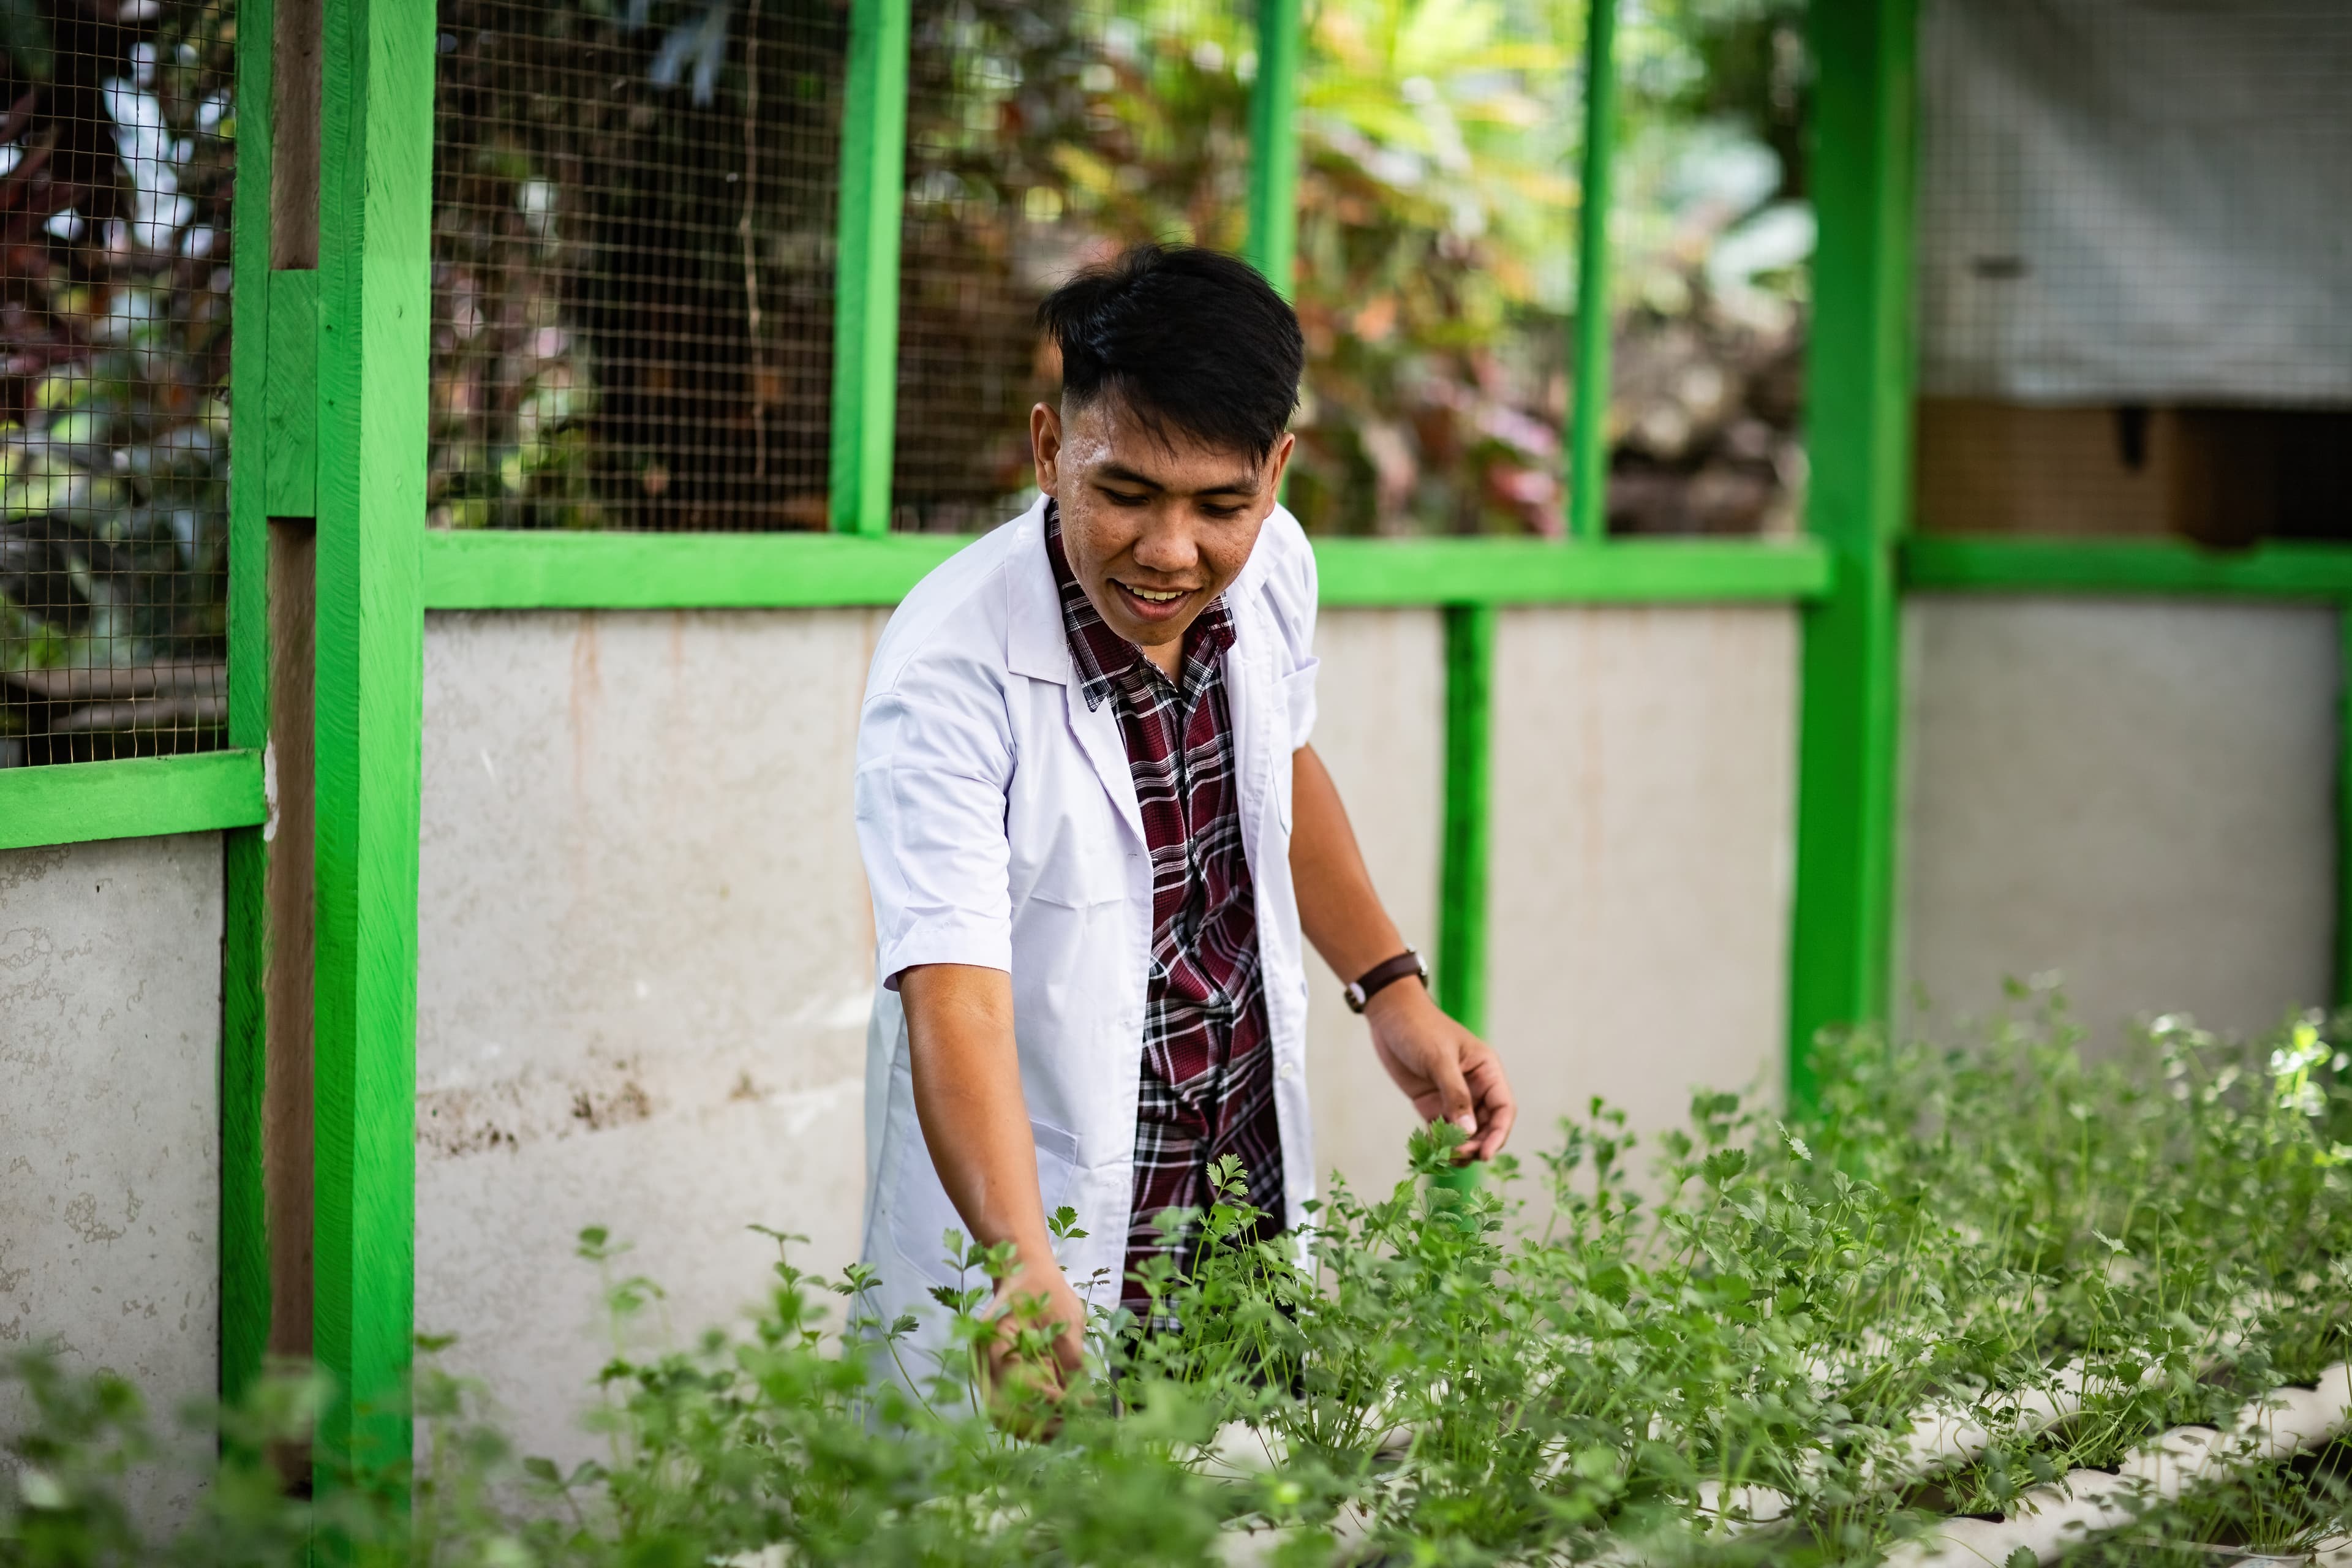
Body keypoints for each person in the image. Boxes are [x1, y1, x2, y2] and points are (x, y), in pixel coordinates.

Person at [852, 243, 1515, 1398]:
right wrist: (1014, 1263)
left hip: (1236, 1170)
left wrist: (1393, 987)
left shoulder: (1271, 571)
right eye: (1124, 495)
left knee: (1237, 1493)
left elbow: (1281, 770)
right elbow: (951, 987)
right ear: (1051, 447)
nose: (1171, 553)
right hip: (1055, 1208)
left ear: (1279, 469)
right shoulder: (951, 665)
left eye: (1223, 504)